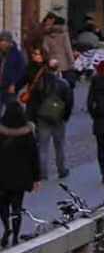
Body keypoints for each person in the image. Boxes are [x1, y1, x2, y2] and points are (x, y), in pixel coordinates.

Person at [22, 51, 70, 181]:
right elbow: (69, 102)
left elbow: (34, 101)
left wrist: (33, 116)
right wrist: (65, 117)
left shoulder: (40, 83)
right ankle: (61, 169)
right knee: (59, 146)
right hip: (58, 118)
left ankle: (43, 173)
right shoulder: (63, 84)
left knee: (43, 147)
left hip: (43, 117)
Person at [0, 100, 40, 246]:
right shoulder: (27, 132)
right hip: (21, 177)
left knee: (3, 206)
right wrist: (36, 178)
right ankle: (16, 236)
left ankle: (6, 228)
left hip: (2, 176)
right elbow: (34, 156)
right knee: (17, 207)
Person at [0, 31, 25, 98]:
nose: (2, 44)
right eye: (1, 41)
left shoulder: (17, 55)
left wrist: (14, 84)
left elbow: (21, 72)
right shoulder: (1, 54)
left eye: (5, 41)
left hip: (10, 88)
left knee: (10, 107)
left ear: (10, 43)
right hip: (1, 86)